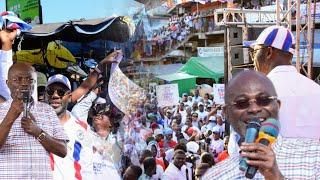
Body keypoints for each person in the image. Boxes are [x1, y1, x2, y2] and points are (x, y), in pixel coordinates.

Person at [201, 70, 320, 179]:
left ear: (277, 106)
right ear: (227, 113)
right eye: (242, 102)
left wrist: (277, 178)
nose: (254, 109)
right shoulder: (215, 176)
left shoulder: (315, 156)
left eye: (264, 100)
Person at [47, 50, 122, 179]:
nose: (55, 96)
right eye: (50, 91)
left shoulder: (81, 128)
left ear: (69, 96)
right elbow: (85, 88)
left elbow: (89, 164)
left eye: (60, 92)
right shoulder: (36, 122)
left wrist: (100, 66)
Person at [247, 25, 320, 139]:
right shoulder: (316, 90)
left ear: (269, 52)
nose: (253, 59)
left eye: (254, 52)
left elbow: (241, 147)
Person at [0, 62, 68, 179]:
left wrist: (38, 132)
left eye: (29, 80)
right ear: (8, 83)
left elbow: (62, 151)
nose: (24, 84)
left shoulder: (47, 110)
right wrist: (11, 115)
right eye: (18, 80)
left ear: (34, 83)